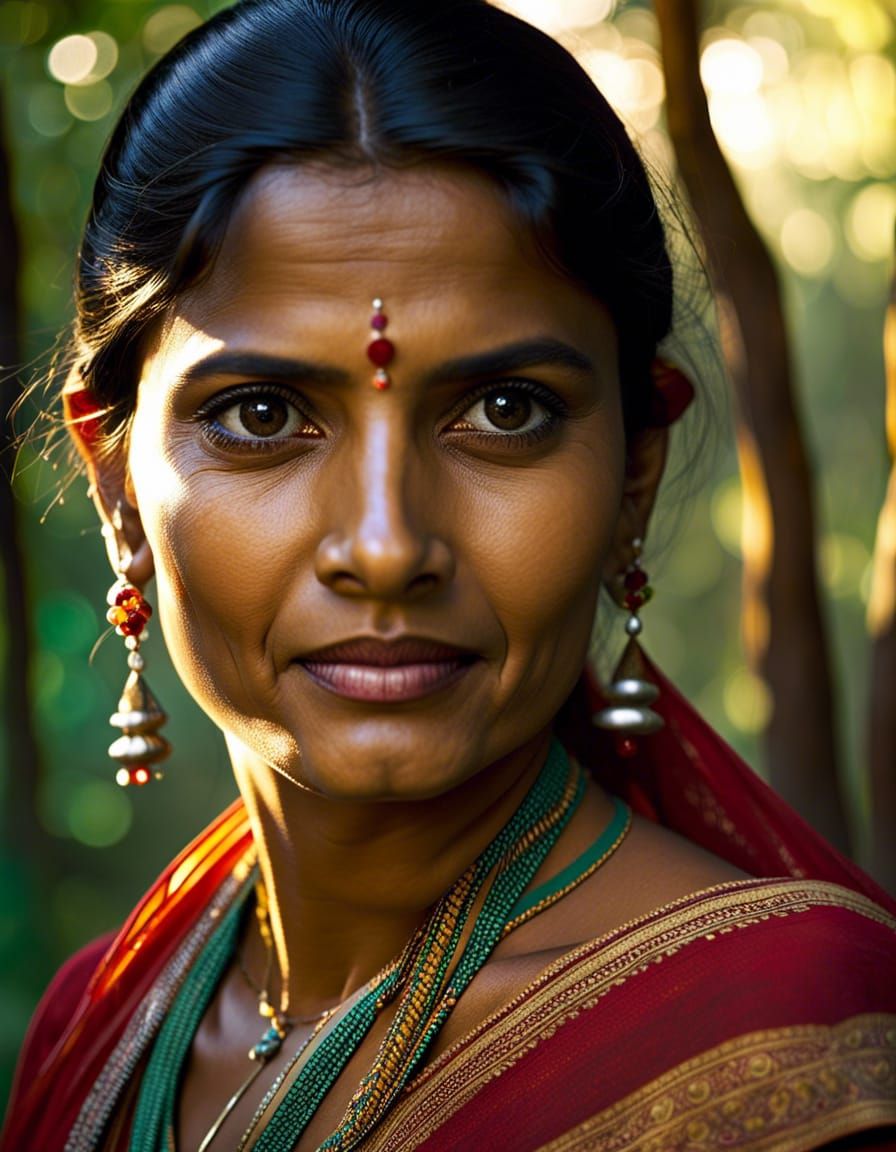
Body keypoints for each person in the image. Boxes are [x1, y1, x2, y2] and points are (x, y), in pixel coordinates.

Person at [3, 1, 895, 1149]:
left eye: (502, 411)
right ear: (118, 485)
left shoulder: (793, 1044)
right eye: (262, 414)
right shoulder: (101, 1024)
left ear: (632, 472)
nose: (384, 547)